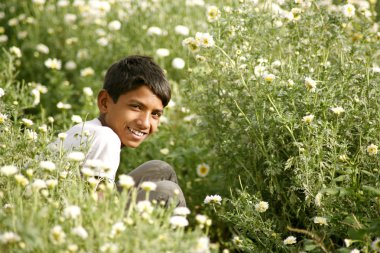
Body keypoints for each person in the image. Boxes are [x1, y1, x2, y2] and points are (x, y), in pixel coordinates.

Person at [53, 55, 186, 207]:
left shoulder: (89, 129)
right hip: (63, 217)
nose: (145, 123)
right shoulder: (106, 138)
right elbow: (98, 212)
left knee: (161, 170)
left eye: (155, 114)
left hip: (77, 204)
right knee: (168, 192)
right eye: (136, 107)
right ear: (104, 102)